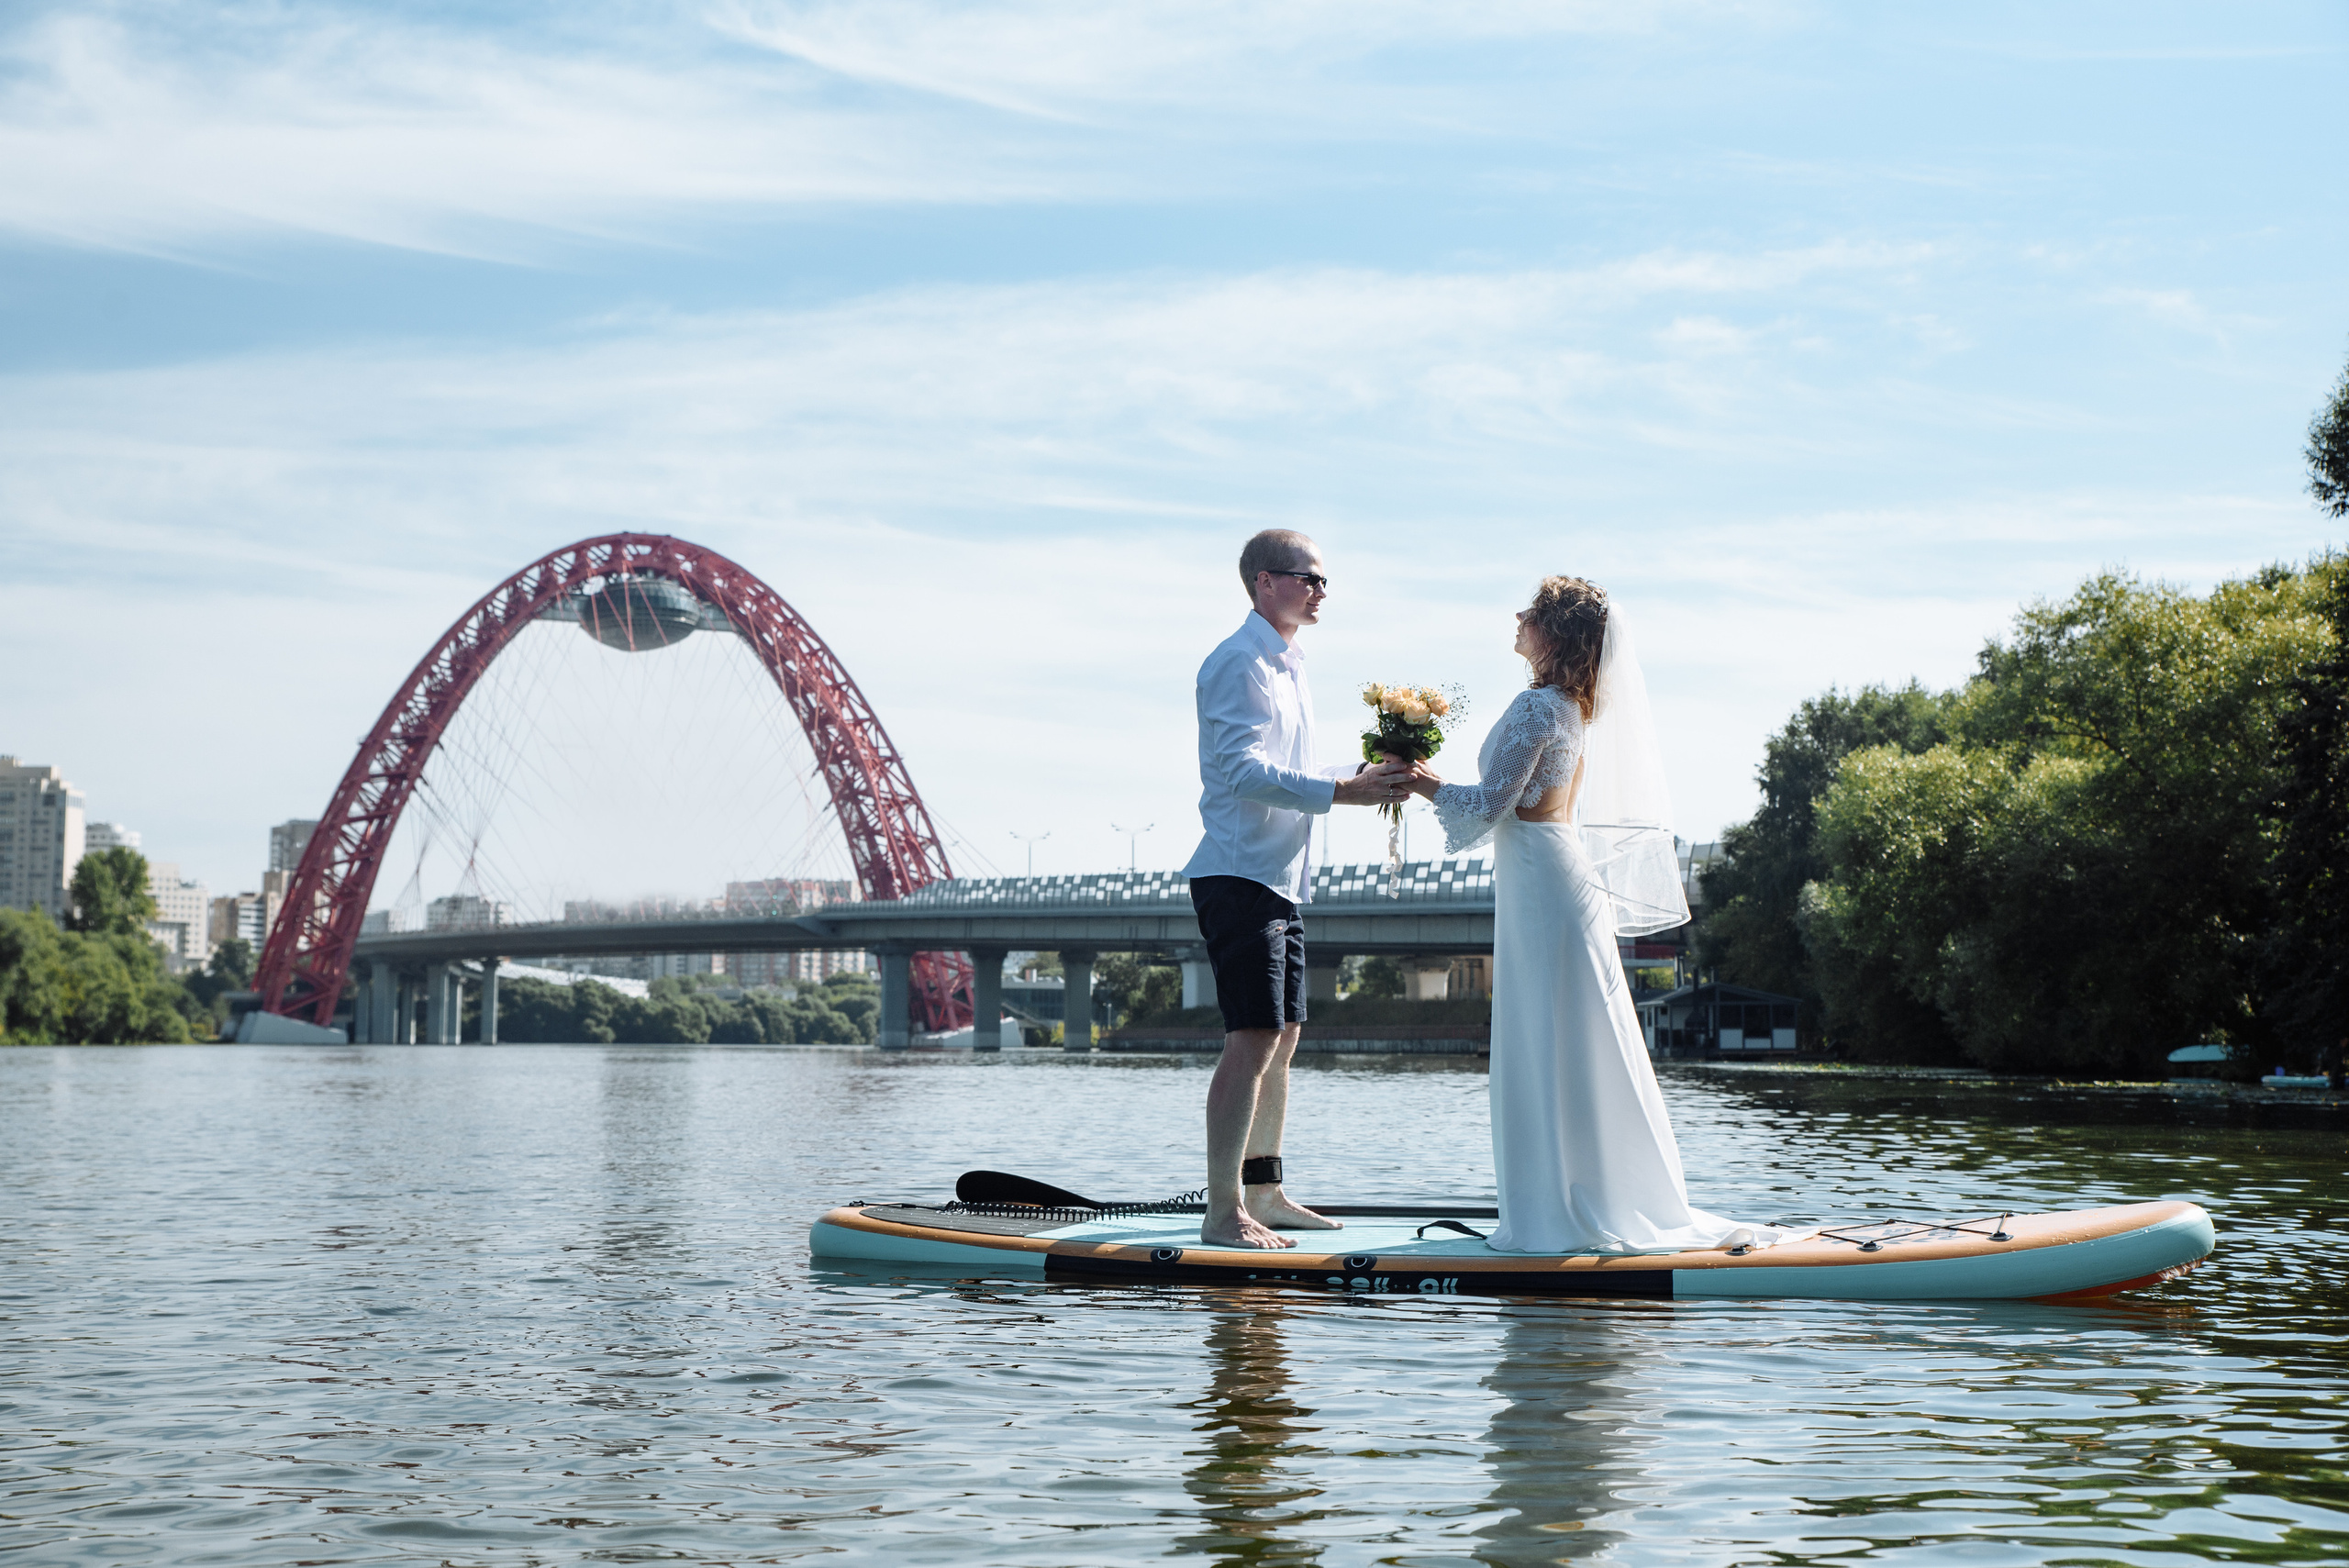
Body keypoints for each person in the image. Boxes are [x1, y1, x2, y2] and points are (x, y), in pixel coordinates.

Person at [1399, 576, 1800, 1253]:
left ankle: (1555, 1209)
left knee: (1547, 1036)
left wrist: (1416, 777)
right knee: (1576, 1038)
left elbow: (1495, 802)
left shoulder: (1538, 710)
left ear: (1554, 634)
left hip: (1540, 879)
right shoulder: (1567, 708)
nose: (1517, 615)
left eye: (1531, 611)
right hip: (1551, 873)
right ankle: (1596, 1192)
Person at [1184, 529, 1411, 1251]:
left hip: (1281, 879)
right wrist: (1343, 791)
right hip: (1237, 871)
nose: (1318, 590)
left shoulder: (1291, 664)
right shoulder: (1236, 663)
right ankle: (1223, 1213)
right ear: (1262, 582)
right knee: (1249, 1036)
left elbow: (1296, 769)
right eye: (1306, 577)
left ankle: (1264, 1191)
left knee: (1281, 1037)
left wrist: (1370, 773)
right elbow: (1244, 772)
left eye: (1323, 581)